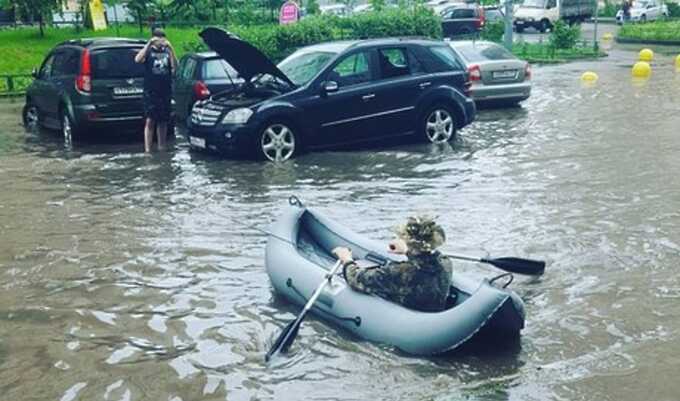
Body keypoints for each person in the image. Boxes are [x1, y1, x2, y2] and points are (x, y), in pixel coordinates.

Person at [332, 216, 453, 312]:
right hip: (431, 308)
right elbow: (425, 262)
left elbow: (356, 278)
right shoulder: (446, 263)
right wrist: (407, 251)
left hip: (408, 318)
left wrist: (347, 259)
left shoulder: (399, 271)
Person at [135, 27, 176, 153]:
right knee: (150, 119)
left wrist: (171, 48)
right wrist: (149, 44)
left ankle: (161, 146)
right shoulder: (149, 51)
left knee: (163, 120)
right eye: (158, 39)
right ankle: (148, 148)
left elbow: (175, 67)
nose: (161, 42)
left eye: (162, 39)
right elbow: (137, 59)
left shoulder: (167, 51)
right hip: (151, 90)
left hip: (165, 90)